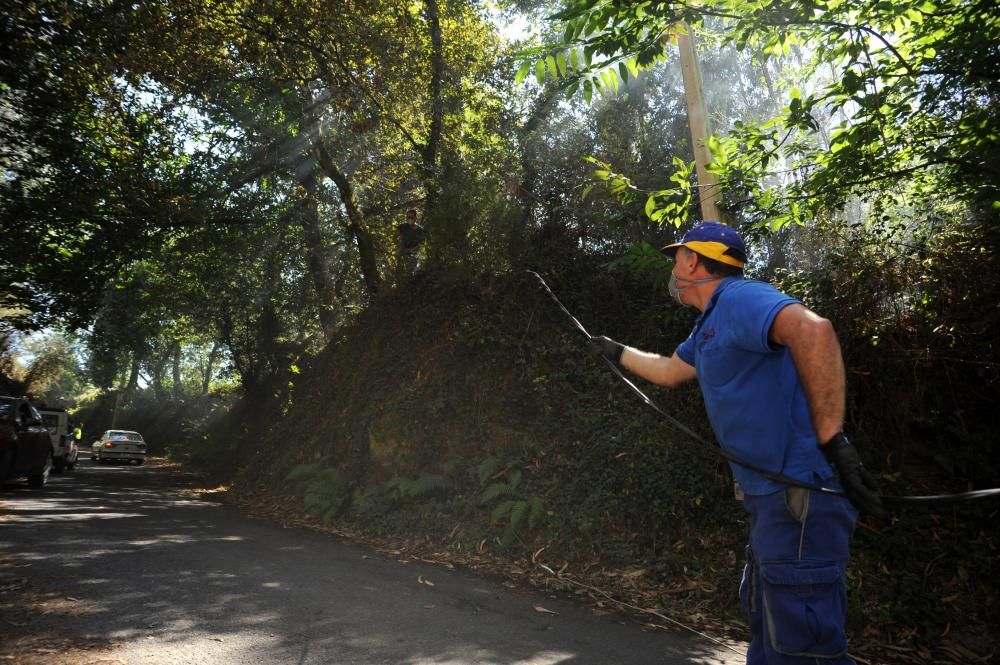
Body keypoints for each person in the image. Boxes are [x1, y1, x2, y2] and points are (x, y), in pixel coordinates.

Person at [589, 220, 885, 665]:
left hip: (799, 493)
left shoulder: (741, 297)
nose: (673, 271)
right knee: (770, 630)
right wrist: (615, 351)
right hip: (771, 500)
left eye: (676, 259)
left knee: (803, 647)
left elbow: (814, 331)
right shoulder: (709, 325)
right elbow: (671, 371)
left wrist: (832, 440)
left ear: (692, 260)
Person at [396, 208, 426, 276]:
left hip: (414, 254)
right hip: (402, 252)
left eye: (411, 217)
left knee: (414, 271)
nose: (410, 219)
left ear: (415, 218)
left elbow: (422, 243)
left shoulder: (420, 230)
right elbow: (395, 237)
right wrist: (398, 245)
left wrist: (413, 250)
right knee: (400, 272)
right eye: (408, 217)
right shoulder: (402, 227)